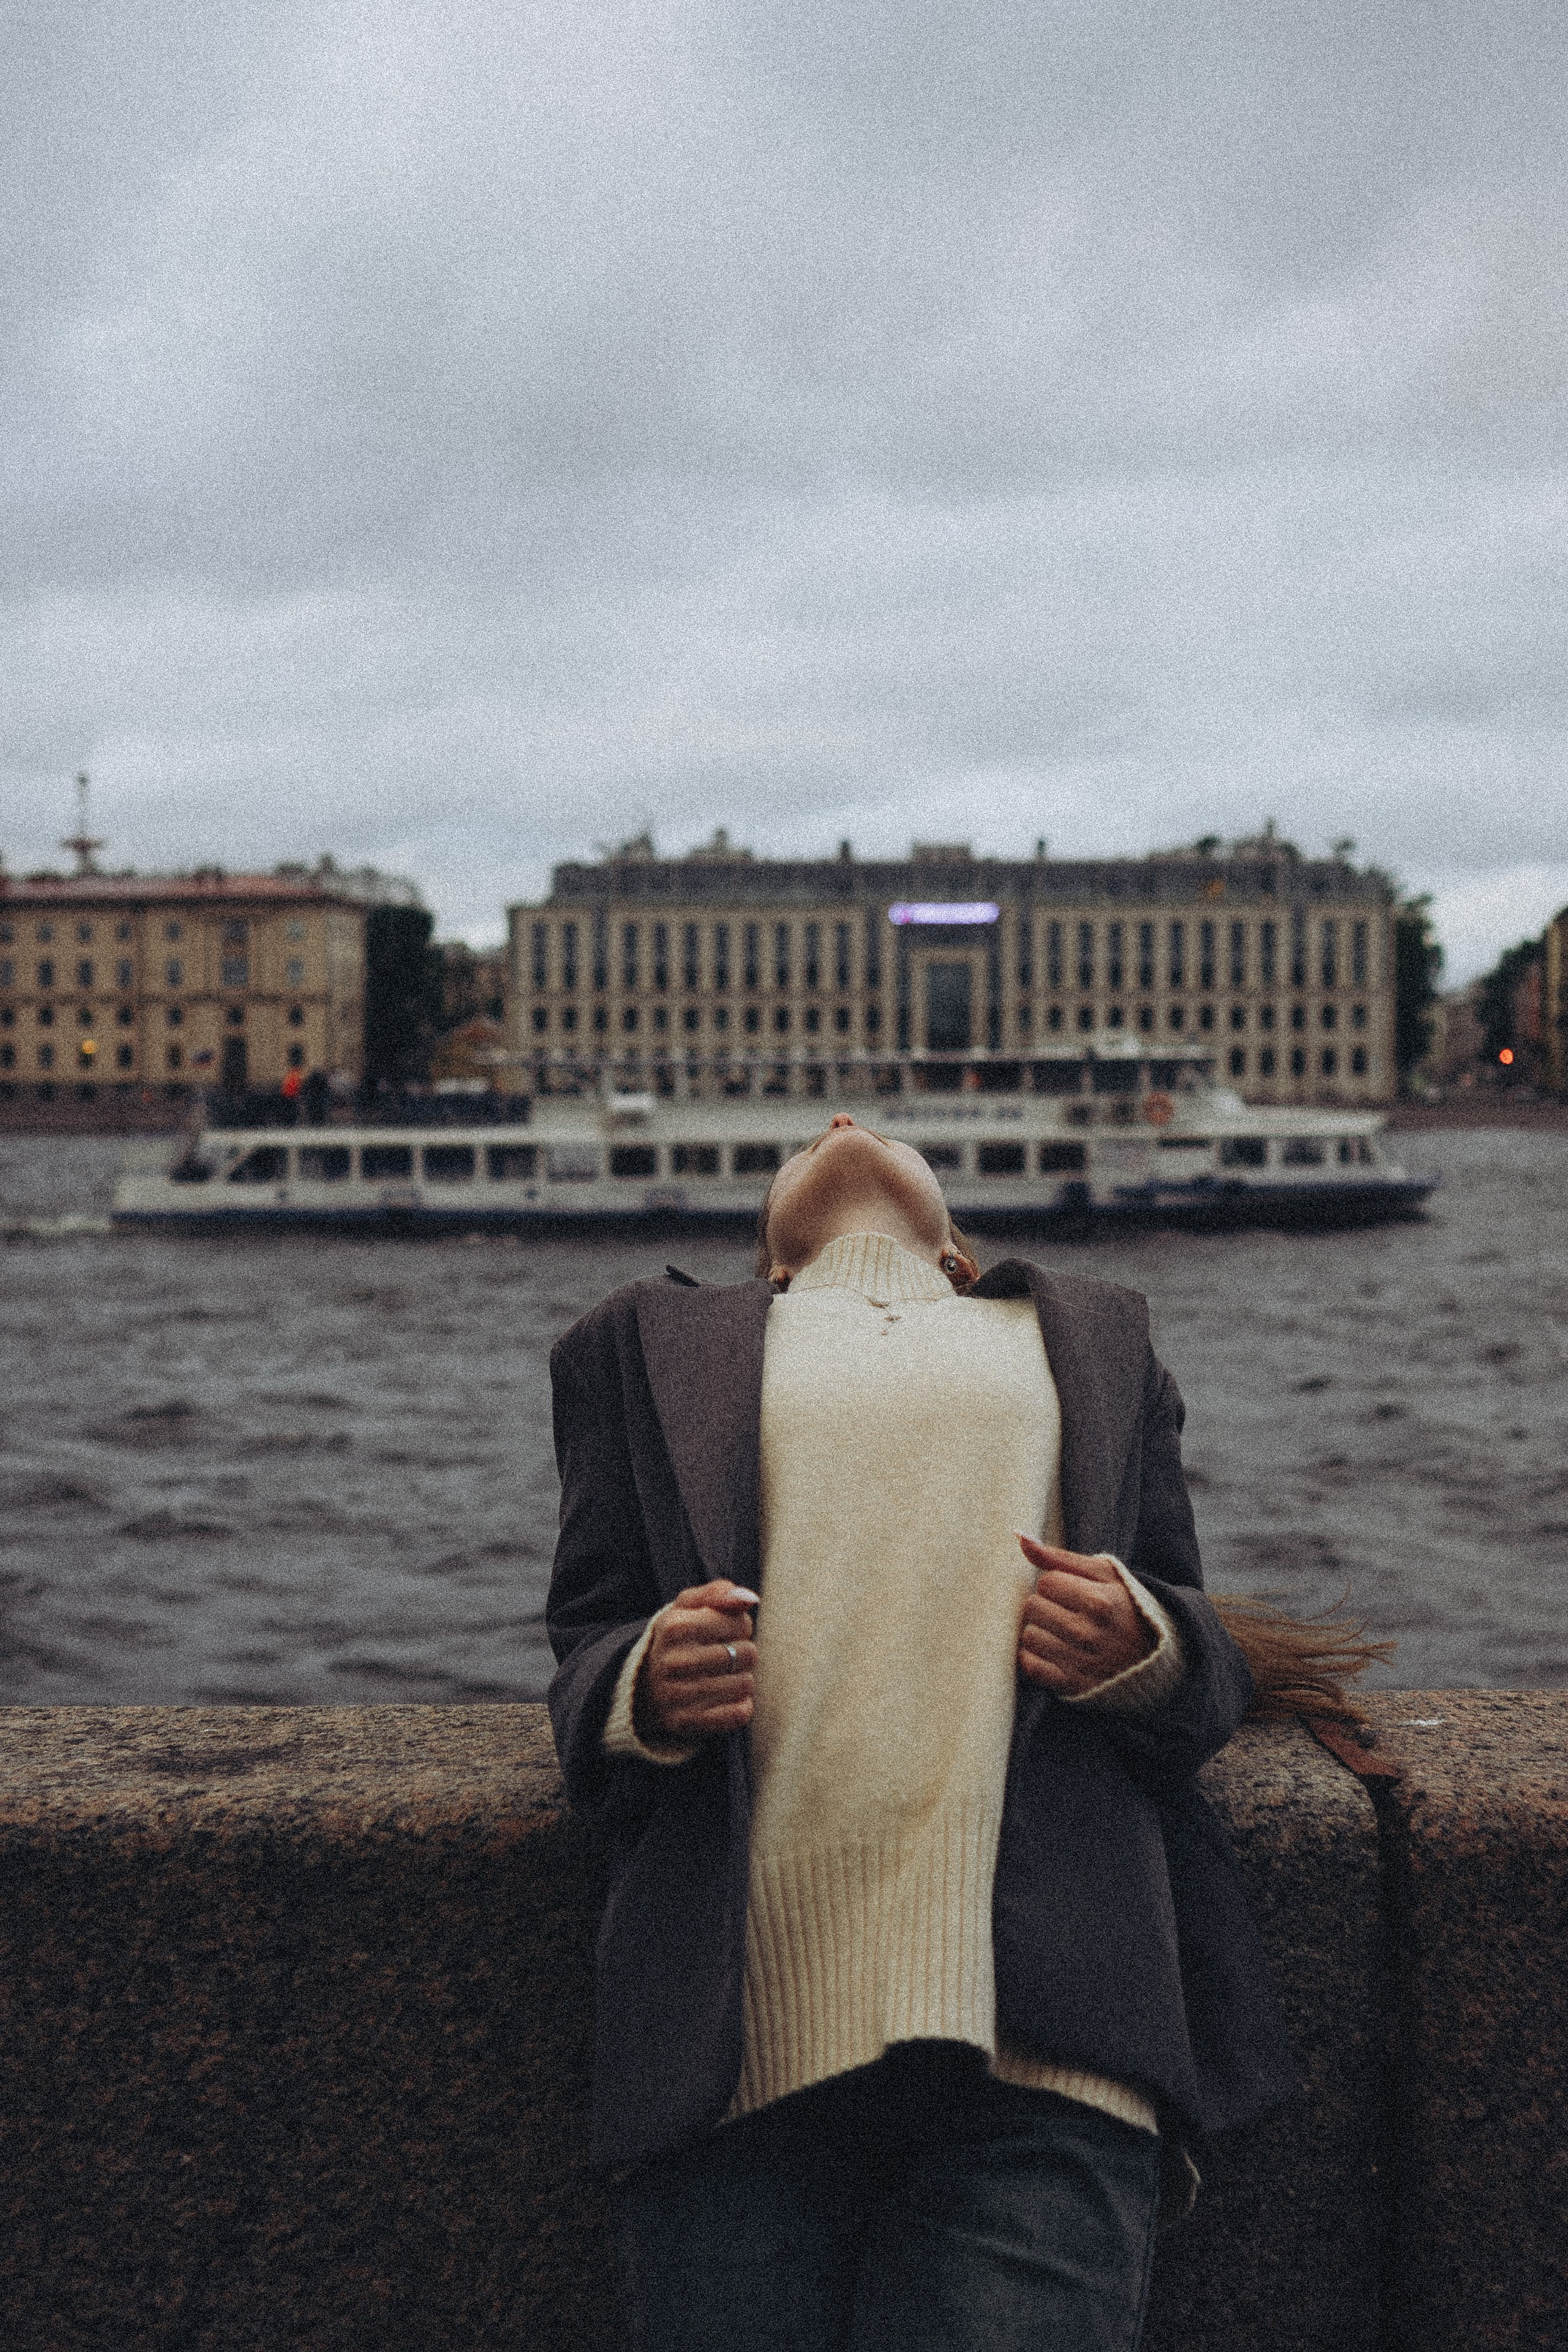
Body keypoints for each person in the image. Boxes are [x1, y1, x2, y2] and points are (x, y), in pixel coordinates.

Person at [546, 1113, 1301, 2351]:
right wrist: (642, 1683)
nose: (844, 1125)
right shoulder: (637, 1343)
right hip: (736, 2051)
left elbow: (1199, 1658)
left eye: (872, 1123)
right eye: (806, 1136)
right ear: (770, 1264)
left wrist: (1146, 1643)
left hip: (1047, 2045)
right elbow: (584, 1641)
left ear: (960, 1253)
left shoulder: (1093, 1335)